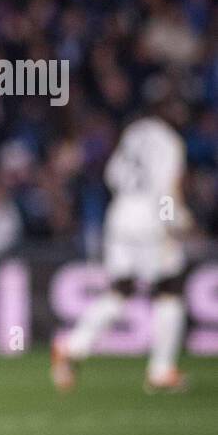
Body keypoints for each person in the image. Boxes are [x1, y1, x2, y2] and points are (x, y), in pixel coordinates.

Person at [52, 103, 193, 392]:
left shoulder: (133, 133)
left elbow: (112, 176)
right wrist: (174, 221)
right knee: (171, 288)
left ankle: (72, 346)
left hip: (119, 216)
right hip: (151, 218)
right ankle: (161, 370)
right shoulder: (169, 141)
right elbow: (167, 188)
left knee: (122, 288)